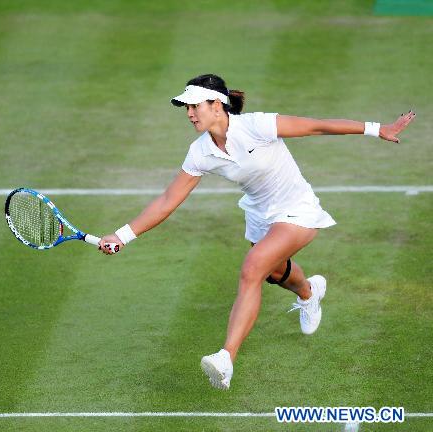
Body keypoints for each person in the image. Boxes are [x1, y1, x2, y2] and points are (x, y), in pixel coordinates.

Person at [98, 73, 416, 390]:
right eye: (187, 107)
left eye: (195, 106)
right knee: (273, 272)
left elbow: (316, 125)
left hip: (297, 208)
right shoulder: (199, 152)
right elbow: (169, 200)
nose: (190, 113)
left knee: (252, 267)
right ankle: (309, 292)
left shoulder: (256, 126)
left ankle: (226, 358)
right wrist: (122, 235)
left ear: (217, 104)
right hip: (260, 213)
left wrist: (378, 129)